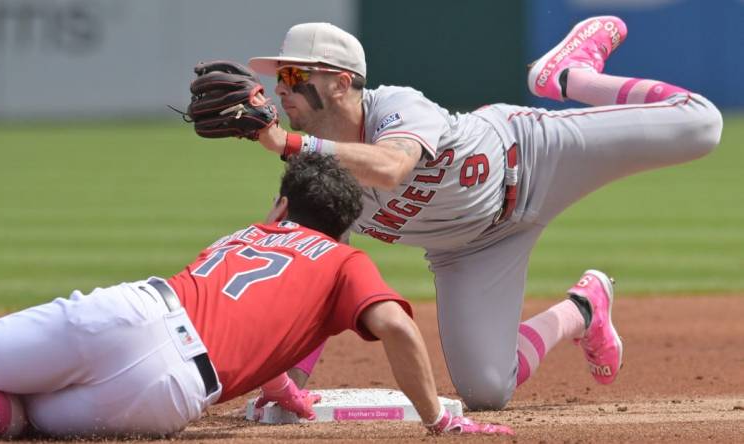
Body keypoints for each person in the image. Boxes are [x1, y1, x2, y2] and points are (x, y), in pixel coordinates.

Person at [242, 18, 724, 410]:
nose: (280, 89)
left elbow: (390, 167)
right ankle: (583, 308)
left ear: (341, 81)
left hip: (534, 156)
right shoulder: (318, 173)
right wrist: (286, 385)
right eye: (279, 76)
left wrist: (286, 142)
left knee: (701, 125)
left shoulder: (395, 104)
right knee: (487, 391)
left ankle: (572, 75)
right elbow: (311, 276)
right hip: (468, 253)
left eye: (293, 76)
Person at [0, 154, 513, 438]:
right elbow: (394, 324)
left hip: (132, 313)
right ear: (342, 229)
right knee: (25, 421)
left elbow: (237, 305)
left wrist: (284, 387)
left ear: (279, 206)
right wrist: (438, 419)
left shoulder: (243, 236)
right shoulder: (345, 260)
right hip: (167, 394)